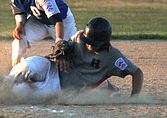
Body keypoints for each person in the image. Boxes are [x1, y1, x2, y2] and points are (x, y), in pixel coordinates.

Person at [8, 17, 143, 98]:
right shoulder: (79, 37)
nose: (88, 44)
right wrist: (60, 55)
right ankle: (1, 83)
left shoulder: (113, 57)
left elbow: (137, 73)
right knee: (28, 65)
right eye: (87, 40)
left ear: (104, 43)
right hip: (51, 67)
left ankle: (1, 92)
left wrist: (134, 98)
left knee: (19, 92)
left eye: (93, 43)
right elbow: (62, 45)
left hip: (58, 88)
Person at [0, 0, 77, 67]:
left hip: (62, 23)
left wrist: (59, 41)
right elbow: (20, 11)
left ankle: (101, 81)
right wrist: (20, 24)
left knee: (73, 54)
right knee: (19, 41)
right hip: (38, 20)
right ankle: (17, 73)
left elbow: (57, 21)